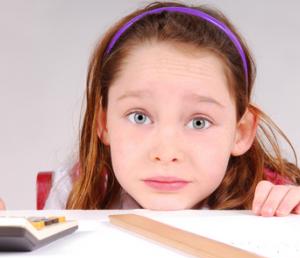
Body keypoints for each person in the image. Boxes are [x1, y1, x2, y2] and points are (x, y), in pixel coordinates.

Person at [3, 1, 300, 216]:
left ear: (241, 132)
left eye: (199, 122)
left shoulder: (273, 203)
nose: (166, 151)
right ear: (103, 123)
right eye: (140, 117)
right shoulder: (72, 194)